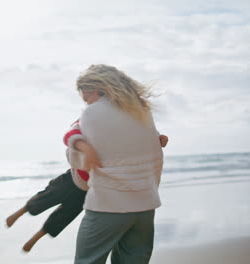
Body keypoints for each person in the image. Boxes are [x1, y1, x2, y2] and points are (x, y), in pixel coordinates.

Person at [5, 113, 168, 252]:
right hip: (75, 176)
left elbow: (142, 139)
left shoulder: (125, 126)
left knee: (64, 216)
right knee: (48, 196)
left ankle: (34, 239)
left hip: (91, 188)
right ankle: (19, 213)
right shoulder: (91, 119)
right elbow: (73, 132)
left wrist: (159, 139)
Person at [72, 64, 164, 264]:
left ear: (95, 88)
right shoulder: (142, 111)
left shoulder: (91, 114)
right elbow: (156, 157)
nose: (84, 100)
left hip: (109, 205)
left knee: (88, 260)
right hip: (145, 206)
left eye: (84, 94)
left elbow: (77, 160)